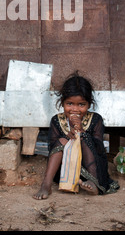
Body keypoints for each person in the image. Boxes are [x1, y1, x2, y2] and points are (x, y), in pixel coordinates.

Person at [33, 72, 119, 200]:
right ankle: (46, 184)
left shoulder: (95, 119)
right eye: (70, 104)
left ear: (89, 104)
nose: (75, 109)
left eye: (81, 105)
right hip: (66, 171)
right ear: (62, 103)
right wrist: (68, 137)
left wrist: (82, 131)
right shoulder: (56, 121)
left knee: (85, 137)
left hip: (93, 169)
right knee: (61, 140)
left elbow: (100, 148)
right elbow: (52, 148)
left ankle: (93, 183)